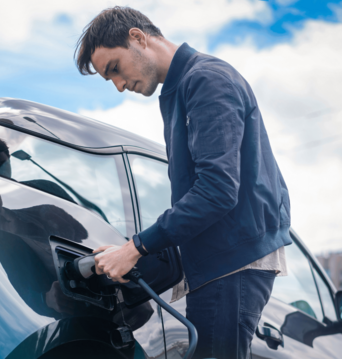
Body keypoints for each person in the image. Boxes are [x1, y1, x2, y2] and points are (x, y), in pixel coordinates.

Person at [75, 6, 291, 359]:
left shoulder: (207, 80)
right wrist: (133, 256)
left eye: (114, 68)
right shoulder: (182, 89)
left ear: (138, 37)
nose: (117, 86)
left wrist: (134, 248)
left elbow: (217, 191)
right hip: (220, 260)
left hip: (231, 263)